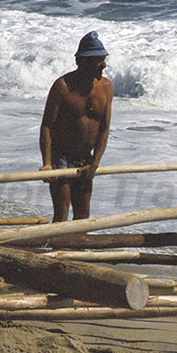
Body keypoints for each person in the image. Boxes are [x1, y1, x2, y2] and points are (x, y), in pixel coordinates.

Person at [39, 31, 113, 222]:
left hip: (85, 159)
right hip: (61, 157)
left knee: (82, 217)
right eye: (99, 60)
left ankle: (78, 249)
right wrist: (47, 163)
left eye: (103, 59)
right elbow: (47, 126)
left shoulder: (106, 87)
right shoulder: (63, 86)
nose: (104, 65)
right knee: (62, 214)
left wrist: (95, 163)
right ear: (83, 62)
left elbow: (104, 128)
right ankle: (56, 251)